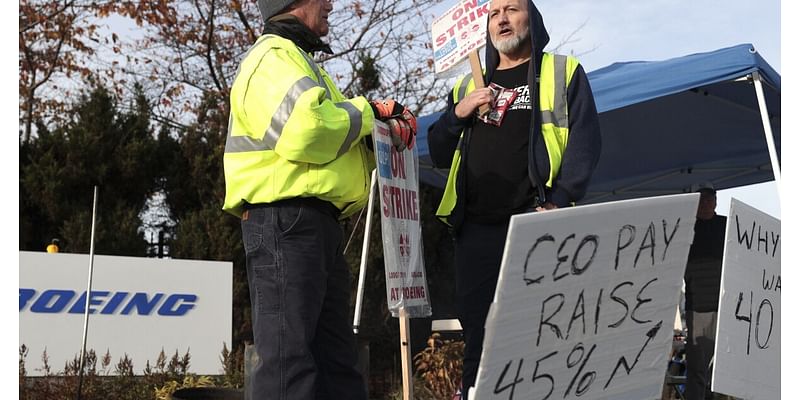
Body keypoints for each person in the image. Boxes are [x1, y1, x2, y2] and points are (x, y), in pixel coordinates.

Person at [222, 0, 416, 397]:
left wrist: (378, 131)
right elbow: (306, 130)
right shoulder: (272, 57)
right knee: (290, 365)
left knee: (333, 365)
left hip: (307, 225)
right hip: (287, 222)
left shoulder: (297, 62)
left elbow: (325, 134)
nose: (331, 4)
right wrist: (369, 113)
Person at [427, 0, 601, 397]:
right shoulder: (466, 84)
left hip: (534, 224)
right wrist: (460, 112)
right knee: (479, 342)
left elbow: (586, 144)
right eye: (493, 13)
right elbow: (437, 150)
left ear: (532, 18)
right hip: (475, 233)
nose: (502, 19)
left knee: (540, 336)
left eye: (512, 9)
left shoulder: (562, 71)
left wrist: (559, 200)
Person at [683, 183, 727, 400]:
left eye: (710, 198)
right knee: (697, 368)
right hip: (697, 307)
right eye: (702, 199)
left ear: (716, 201)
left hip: (725, 307)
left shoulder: (727, 225)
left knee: (718, 369)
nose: (706, 203)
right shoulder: (686, 227)